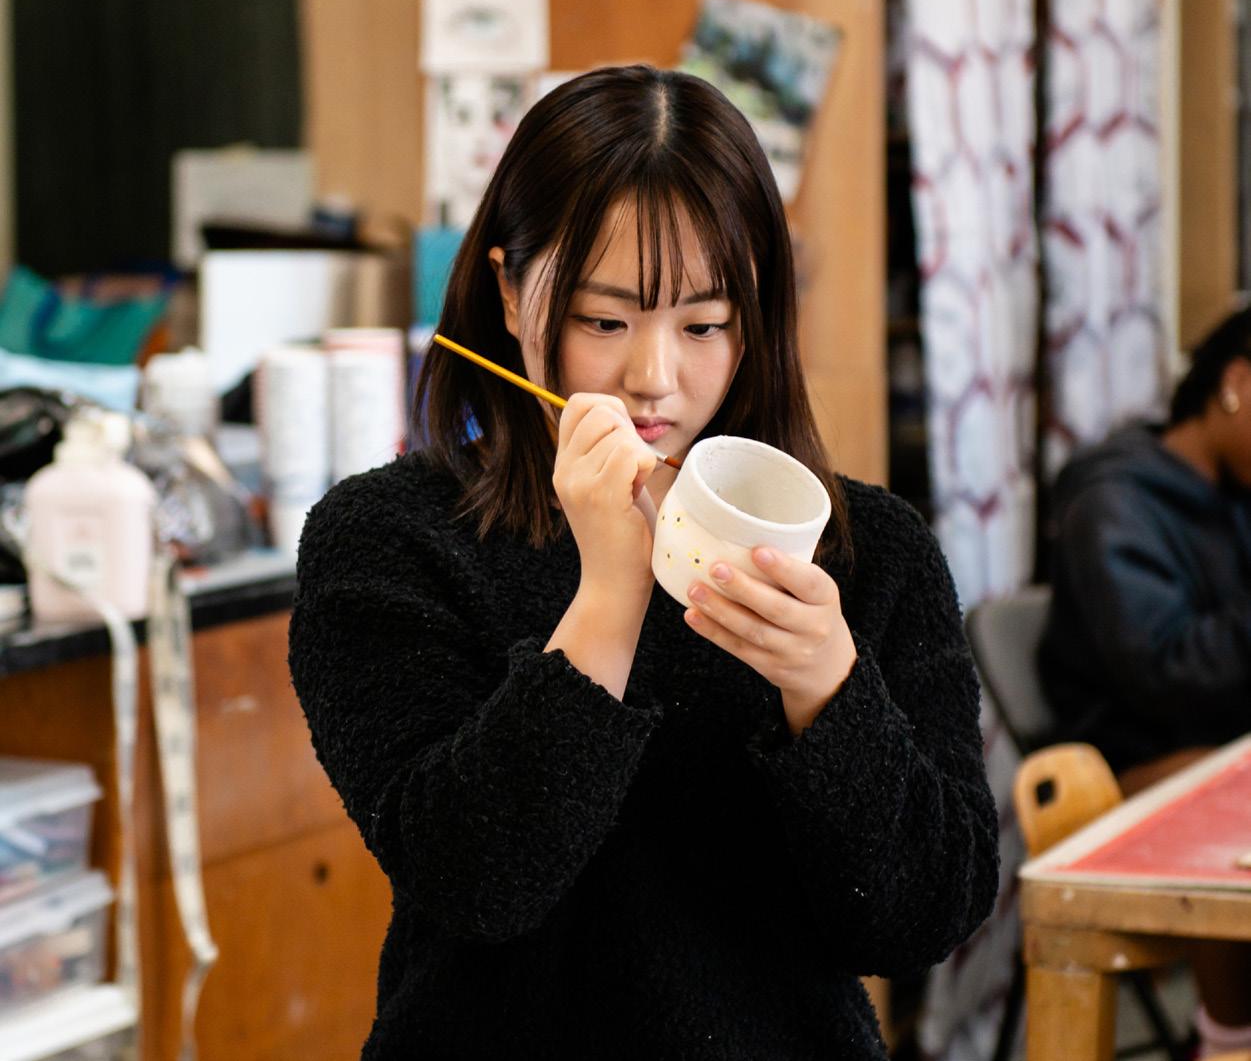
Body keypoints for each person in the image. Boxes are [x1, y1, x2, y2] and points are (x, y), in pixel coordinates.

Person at [289, 65, 998, 1061]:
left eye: (704, 325)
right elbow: (478, 883)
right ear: (509, 291)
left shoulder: (864, 550)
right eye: (603, 321)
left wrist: (827, 689)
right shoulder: (387, 538)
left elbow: (924, 918)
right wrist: (610, 592)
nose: (653, 377)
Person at [1040, 307, 1251, 1053]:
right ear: (1236, 383)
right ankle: (1228, 1038)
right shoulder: (1112, 502)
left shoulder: (1230, 492)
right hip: (1128, 764)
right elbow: (1166, 675)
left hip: (1219, 747)